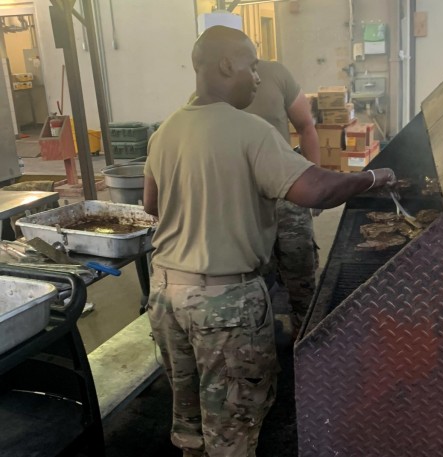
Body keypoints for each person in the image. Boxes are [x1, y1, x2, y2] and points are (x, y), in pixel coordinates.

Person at [143, 25, 395, 457]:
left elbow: (151, 205)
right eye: (253, 66)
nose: (258, 77)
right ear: (226, 65)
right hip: (226, 304)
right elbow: (315, 190)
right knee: (234, 429)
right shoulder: (251, 130)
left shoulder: (164, 132)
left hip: (166, 299)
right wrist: (371, 177)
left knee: (192, 427)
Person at [243, 59, 320, 338]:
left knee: (300, 270)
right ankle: (265, 342)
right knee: (254, 278)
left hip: (287, 191)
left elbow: (306, 127)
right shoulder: (210, 94)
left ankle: (309, 340)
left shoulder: (275, 74)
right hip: (245, 200)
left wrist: (314, 182)